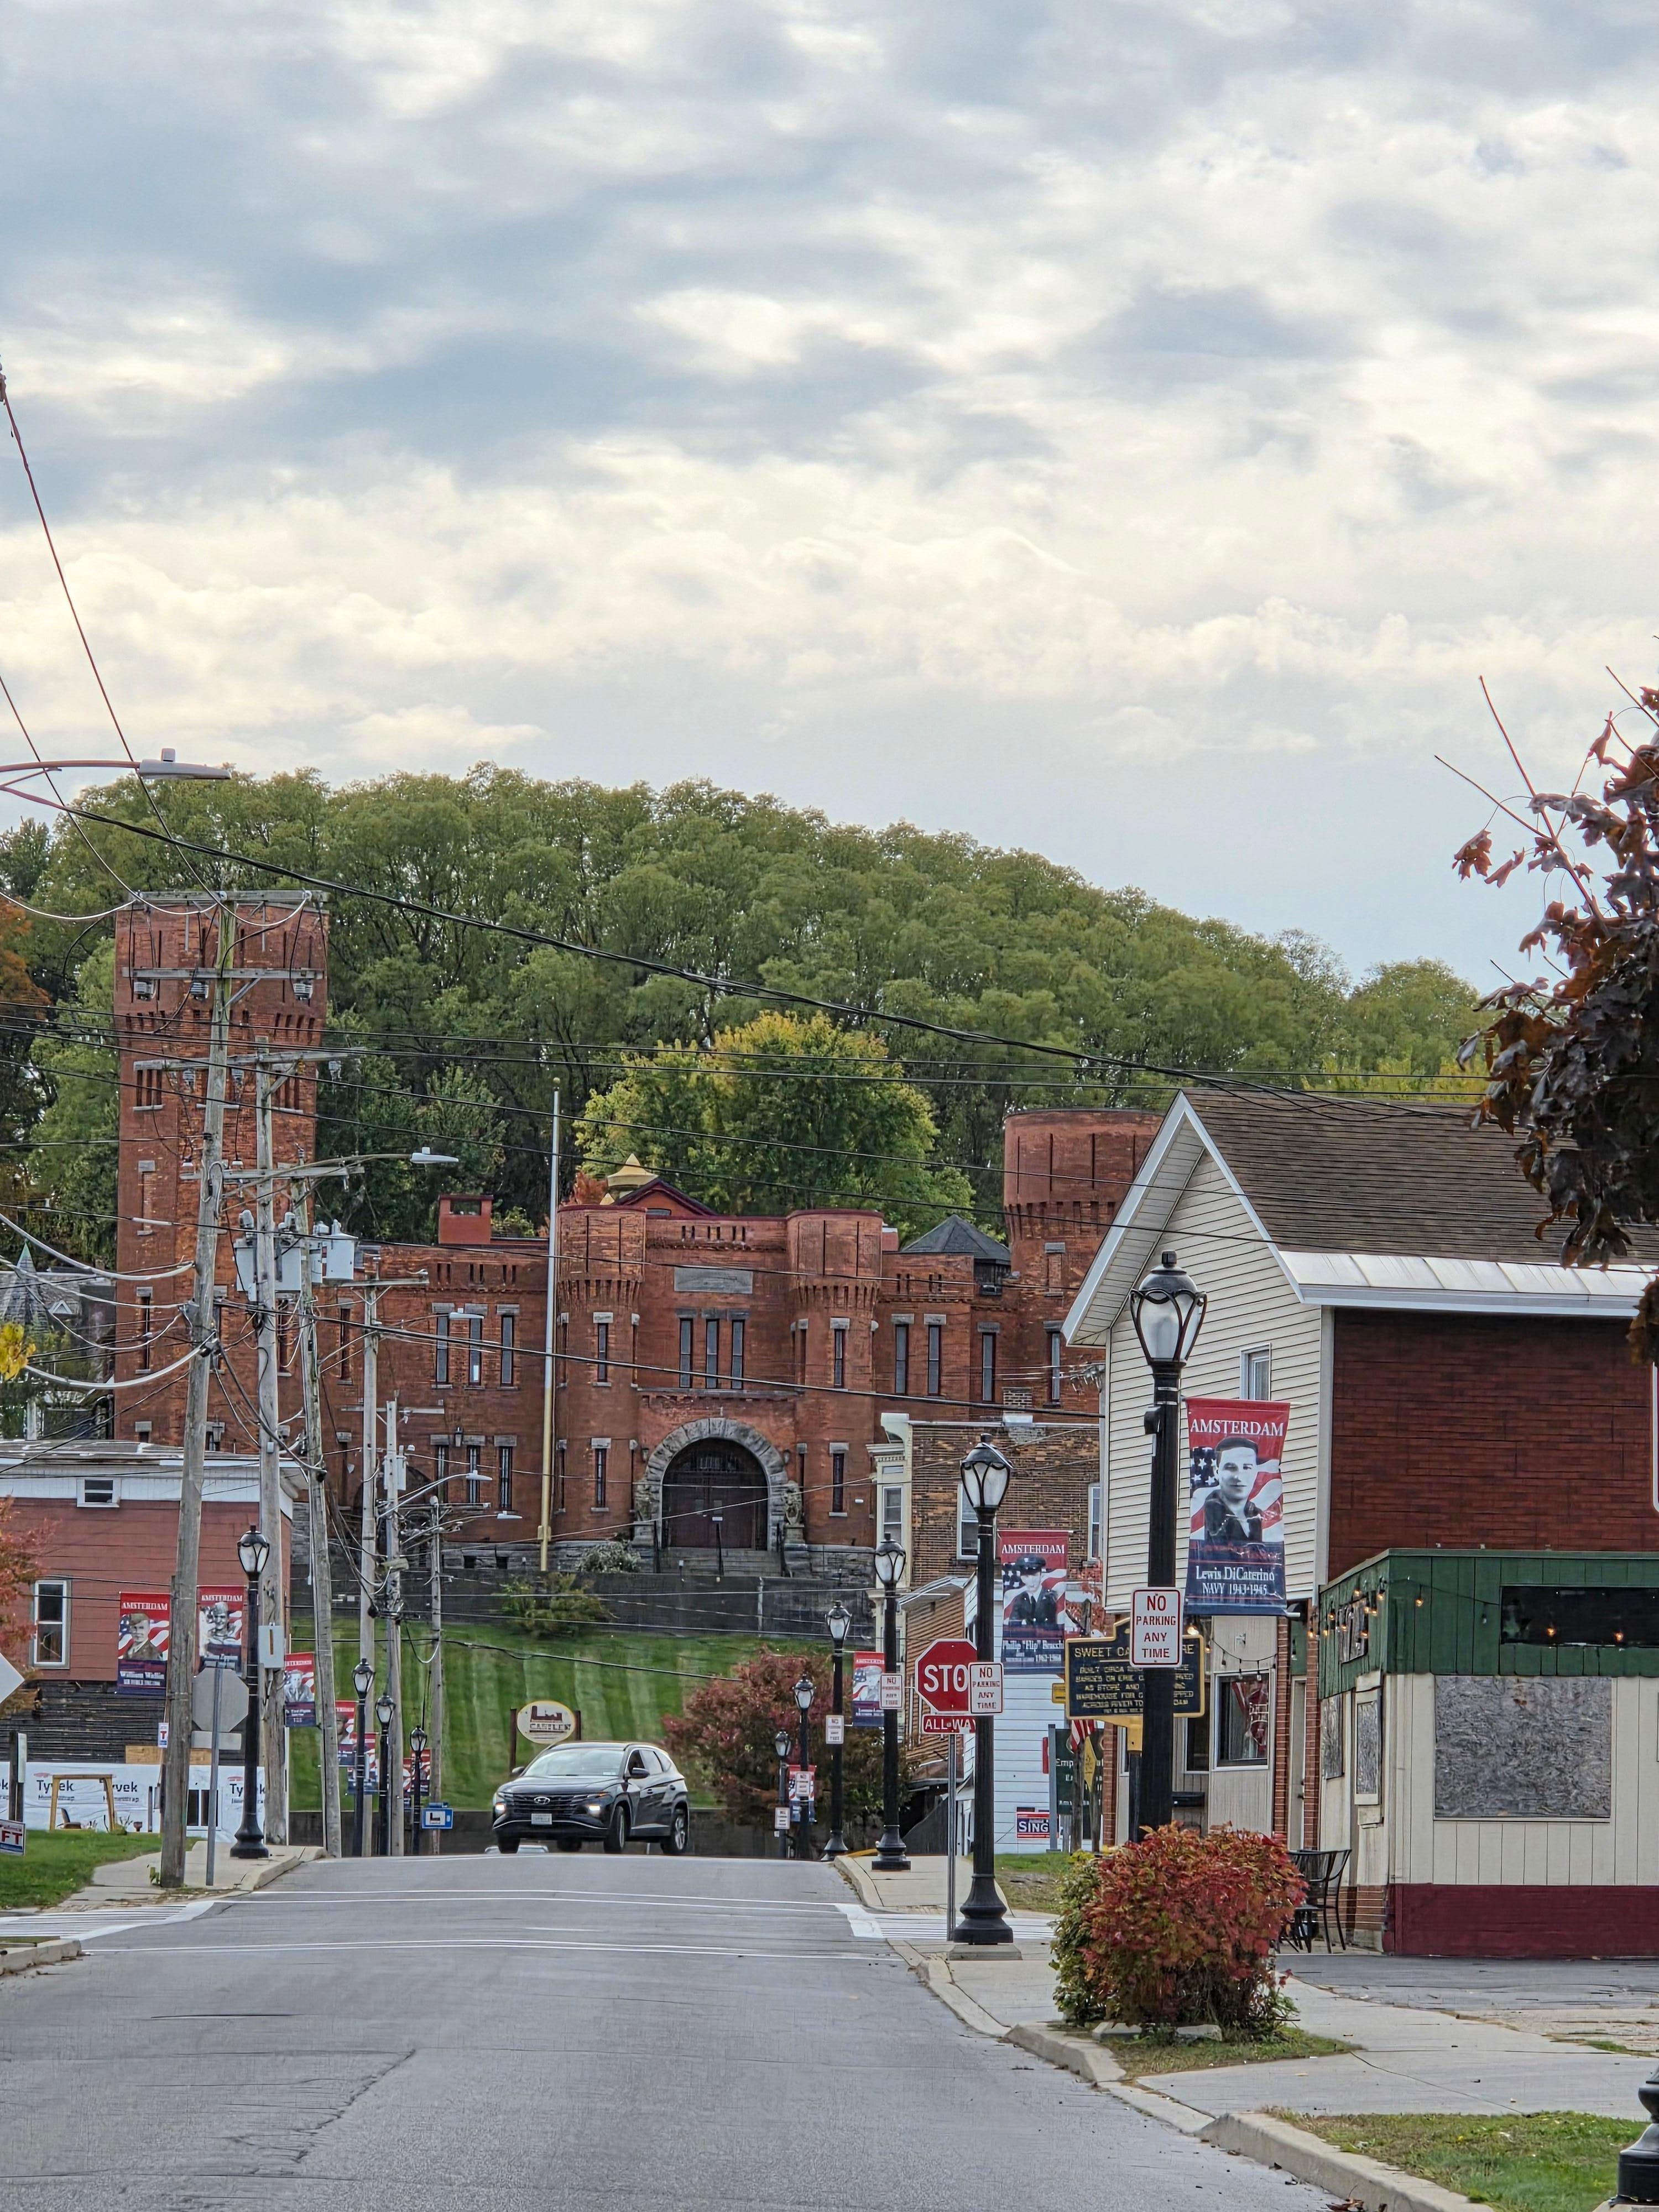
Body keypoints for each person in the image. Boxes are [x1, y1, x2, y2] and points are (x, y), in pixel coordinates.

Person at [1202, 1437, 1264, 1543]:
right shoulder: (1207, 1513)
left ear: (1256, 1473)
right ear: (1216, 1472)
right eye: (1230, 1468)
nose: (1239, 1477)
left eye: (1247, 1467)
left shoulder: (1256, 1515)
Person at [1005, 1554, 1060, 1629]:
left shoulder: (1050, 1597)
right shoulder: (1020, 1599)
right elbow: (1014, 1625)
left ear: (1041, 1576)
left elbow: (1051, 1625)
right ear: (1022, 1578)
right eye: (1027, 1576)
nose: (1031, 1581)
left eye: (1035, 1576)